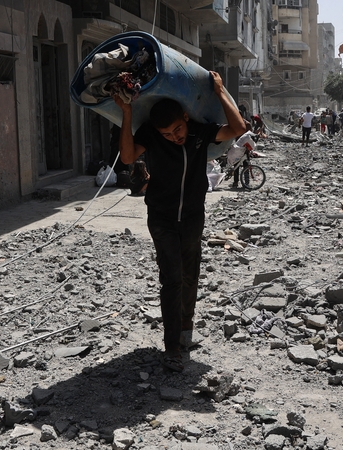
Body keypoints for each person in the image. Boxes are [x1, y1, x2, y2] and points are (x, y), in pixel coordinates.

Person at [115, 70, 246, 372]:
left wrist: (219, 90)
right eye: (168, 135)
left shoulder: (199, 133)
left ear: (186, 118)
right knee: (171, 279)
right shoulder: (151, 135)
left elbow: (238, 127)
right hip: (161, 218)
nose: (175, 138)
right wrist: (126, 112)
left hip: (192, 218)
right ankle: (172, 345)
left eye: (177, 130)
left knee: (190, 275)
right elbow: (126, 157)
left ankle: (186, 333)